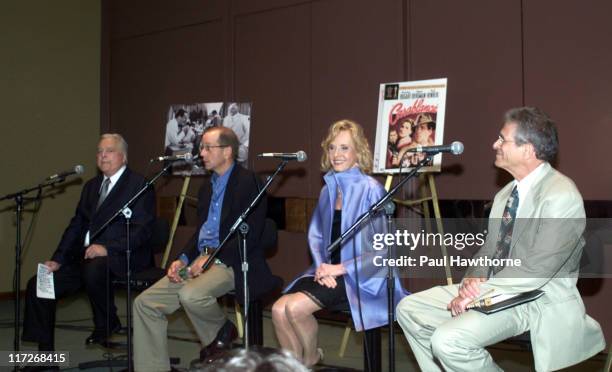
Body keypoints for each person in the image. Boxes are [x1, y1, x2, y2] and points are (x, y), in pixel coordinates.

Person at [396, 107, 605, 371]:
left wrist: (476, 294)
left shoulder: (561, 195)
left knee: (447, 340)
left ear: (527, 149)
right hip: (496, 290)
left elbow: (536, 271)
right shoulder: (506, 194)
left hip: (534, 299)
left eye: (502, 139)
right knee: (409, 309)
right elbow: (489, 249)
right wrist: (472, 280)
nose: (494, 144)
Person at [133, 126, 276, 372]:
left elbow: (248, 234)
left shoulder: (248, 182)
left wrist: (211, 257)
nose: (202, 153)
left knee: (190, 294)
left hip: (233, 259)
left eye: (208, 147)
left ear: (228, 151)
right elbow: (201, 231)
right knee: (145, 303)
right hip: (202, 259)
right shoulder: (207, 187)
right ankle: (154, 367)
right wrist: (183, 258)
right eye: (201, 147)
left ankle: (221, 335)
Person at [271, 119, 407, 367]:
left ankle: (309, 358)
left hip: (362, 275)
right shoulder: (328, 190)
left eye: (344, 148)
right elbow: (316, 236)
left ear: (358, 152)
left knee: (293, 310)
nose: (336, 154)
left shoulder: (371, 189)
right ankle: (301, 364)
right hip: (327, 271)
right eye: (332, 148)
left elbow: (382, 251)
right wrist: (322, 267)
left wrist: (338, 269)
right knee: (279, 310)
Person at [22, 134, 156, 355]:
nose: (103, 155)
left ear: (123, 157)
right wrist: (58, 259)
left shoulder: (139, 185)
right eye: (99, 151)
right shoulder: (92, 187)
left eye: (109, 151)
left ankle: (106, 323)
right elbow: (76, 226)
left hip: (123, 257)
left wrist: (108, 248)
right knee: (39, 284)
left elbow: (143, 230)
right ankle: (45, 358)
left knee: (95, 267)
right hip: (84, 259)